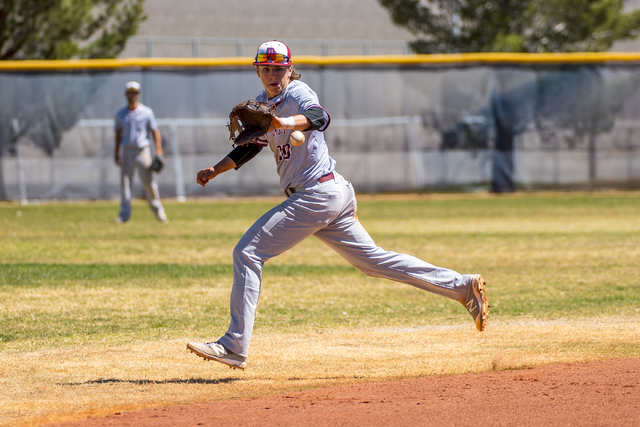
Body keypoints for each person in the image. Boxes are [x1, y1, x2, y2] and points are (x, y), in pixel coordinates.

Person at [187, 41, 489, 370]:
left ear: (290, 69)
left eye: (278, 68)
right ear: (258, 71)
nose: (273, 74)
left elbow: (320, 117)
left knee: (247, 252)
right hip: (330, 193)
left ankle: (234, 345)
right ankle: (461, 286)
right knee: (373, 262)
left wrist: (284, 124)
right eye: (266, 68)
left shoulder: (298, 93)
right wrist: (216, 169)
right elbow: (251, 146)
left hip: (316, 194)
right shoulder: (262, 105)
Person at [113, 81, 168, 224]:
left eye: (135, 92)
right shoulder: (120, 113)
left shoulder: (146, 112)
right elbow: (118, 134)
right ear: (126, 95)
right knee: (125, 183)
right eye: (130, 93)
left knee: (149, 183)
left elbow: (155, 131)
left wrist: (159, 150)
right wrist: (116, 153)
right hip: (127, 150)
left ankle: (159, 211)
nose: (132, 95)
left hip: (143, 150)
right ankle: (124, 215)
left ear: (139, 94)